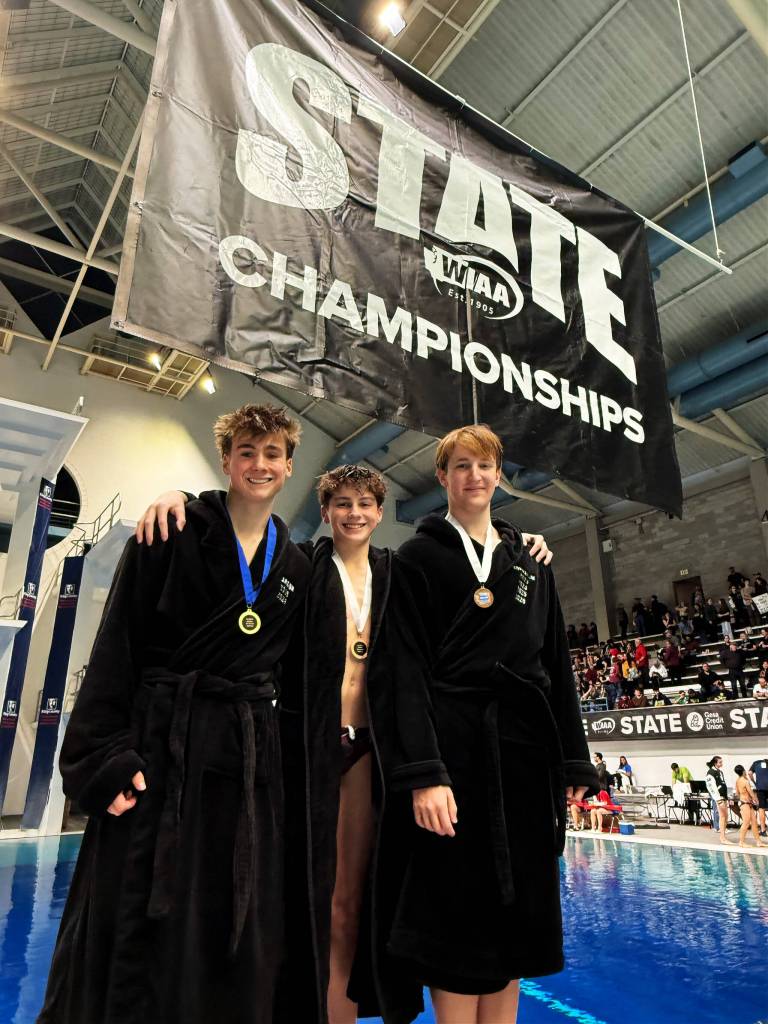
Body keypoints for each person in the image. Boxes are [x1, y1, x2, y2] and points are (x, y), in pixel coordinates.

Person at [136, 431, 557, 1024]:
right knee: (321, 896)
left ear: (380, 513)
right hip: (312, 753)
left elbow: (469, 598)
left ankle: (363, 1004)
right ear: (327, 512)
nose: (354, 514)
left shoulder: (395, 571)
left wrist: (522, 538)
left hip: (377, 758)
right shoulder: (303, 568)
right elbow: (243, 536)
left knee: (363, 899)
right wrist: (181, 495)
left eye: (365, 504)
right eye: (342, 504)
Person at [37, 404, 313, 1024]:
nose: (259, 464)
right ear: (227, 461)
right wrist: (100, 758)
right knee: (137, 920)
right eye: (247, 451)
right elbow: (118, 645)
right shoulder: (172, 529)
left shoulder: (295, 567)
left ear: (290, 466)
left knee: (228, 920)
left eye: (272, 454)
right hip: (163, 755)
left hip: (244, 771)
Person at [383, 424, 597, 1024]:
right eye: (461, 466)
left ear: (498, 475)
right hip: (454, 755)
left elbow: (556, 660)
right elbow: (405, 671)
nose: (474, 476)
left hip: (523, 756)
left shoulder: (529, 559)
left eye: (485, 466)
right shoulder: (417, 558)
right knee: (455, 915)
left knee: (514, 921)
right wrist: (425, 772)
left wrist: (572, 759)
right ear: (442, 477)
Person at [733, 766, 766, 848]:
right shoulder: (745, 781)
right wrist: (756, 801)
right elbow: (751, 793)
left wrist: (744, 795)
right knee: (746, 823)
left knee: (754, 823)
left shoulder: (737, 780)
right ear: (743, 771)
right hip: (745, 805)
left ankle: (758, 842)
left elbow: (737, 793)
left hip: (746, 803)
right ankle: (741, 842)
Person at [705, 755, 729, 845]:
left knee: (725, 817)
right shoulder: (710, 772)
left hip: (723, 797)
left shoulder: (720, 772)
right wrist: (718, 799)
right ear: (715, 763)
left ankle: (723, 837)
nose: (721, 764)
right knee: (722, 817)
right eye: (720, 762)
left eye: (721, 762)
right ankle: (722, 838)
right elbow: (711, 787)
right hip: (719, 798)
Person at [748, 756, 768, 838]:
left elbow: (749, 773)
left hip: (761, 788)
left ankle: (763, 830)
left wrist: (754, 781)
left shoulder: (756, 763)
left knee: (761, 808)